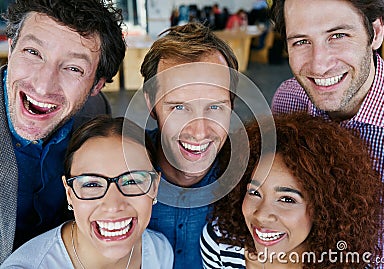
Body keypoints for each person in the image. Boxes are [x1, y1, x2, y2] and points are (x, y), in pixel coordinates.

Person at [270, 0, 384, 266]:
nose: (319, 66)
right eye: (301, 42)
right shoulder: (287, 99)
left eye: (337, 36)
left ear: (375, 33)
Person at [0, 0, 126, 263]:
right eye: (33, 52)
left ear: (97, 85)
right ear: (11, 49)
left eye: (73, 68)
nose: (44, 86)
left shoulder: (95, 112)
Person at [201, 113, 384, 268]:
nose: (263, 215)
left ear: (324, 210)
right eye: (254, 192)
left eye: (287, 199)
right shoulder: (220, 242)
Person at [1, 115, 173, 268]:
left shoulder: (160, 250)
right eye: (91, 185)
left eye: (132, 181)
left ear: (154, 186)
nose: (113, 206)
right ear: (69, 193)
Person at [139, 22, 238, 269]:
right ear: (151, 103)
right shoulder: (118, 173)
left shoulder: (252, 185)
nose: (199, 131)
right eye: (179, 108)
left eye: (215, 107)